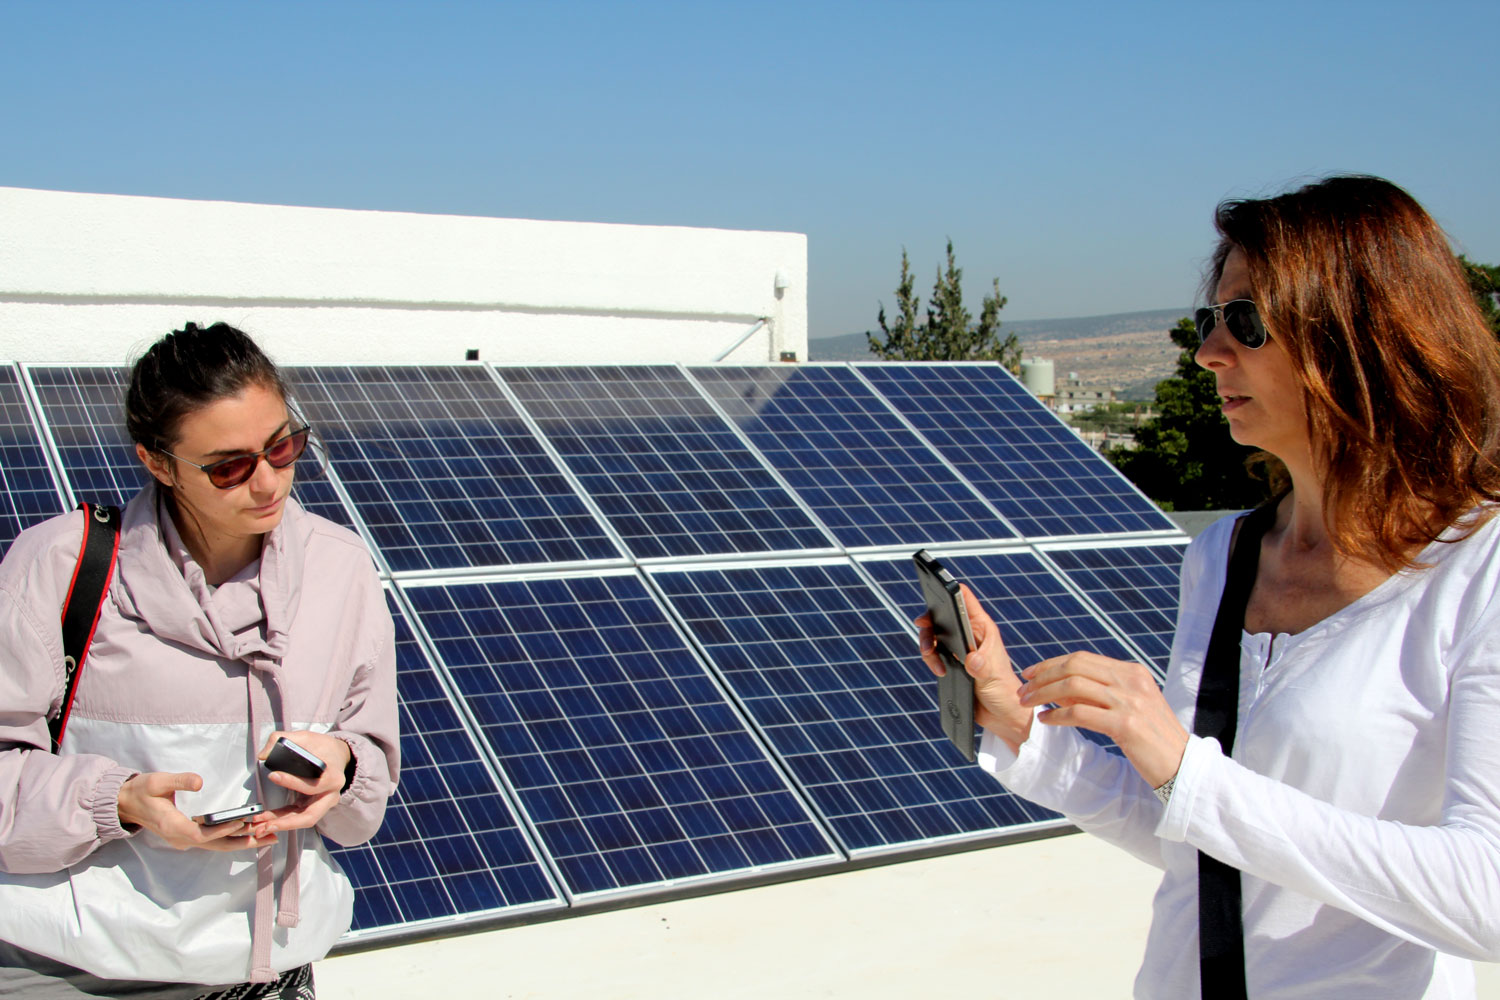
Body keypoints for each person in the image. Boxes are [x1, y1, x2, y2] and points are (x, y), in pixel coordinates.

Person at [920, 176, 1500, 998]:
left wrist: (1186, 769)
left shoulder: (1479, 570)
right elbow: (1201, 838)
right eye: (1208, 321)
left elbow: (1487, 898)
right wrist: (1022, 728)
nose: (1207, 353)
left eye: (1247, 322)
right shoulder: (1223, 556)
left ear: (1362, 338)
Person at [0, 323, 399, 999]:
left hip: (266, 972)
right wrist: (118, 801)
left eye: (283, 445)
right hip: (73, 968)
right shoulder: (61, 566)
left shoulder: (342, 569)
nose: (269, 481)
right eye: (230, 466)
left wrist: (345, 767)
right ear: (157, 463)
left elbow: (365, 797)